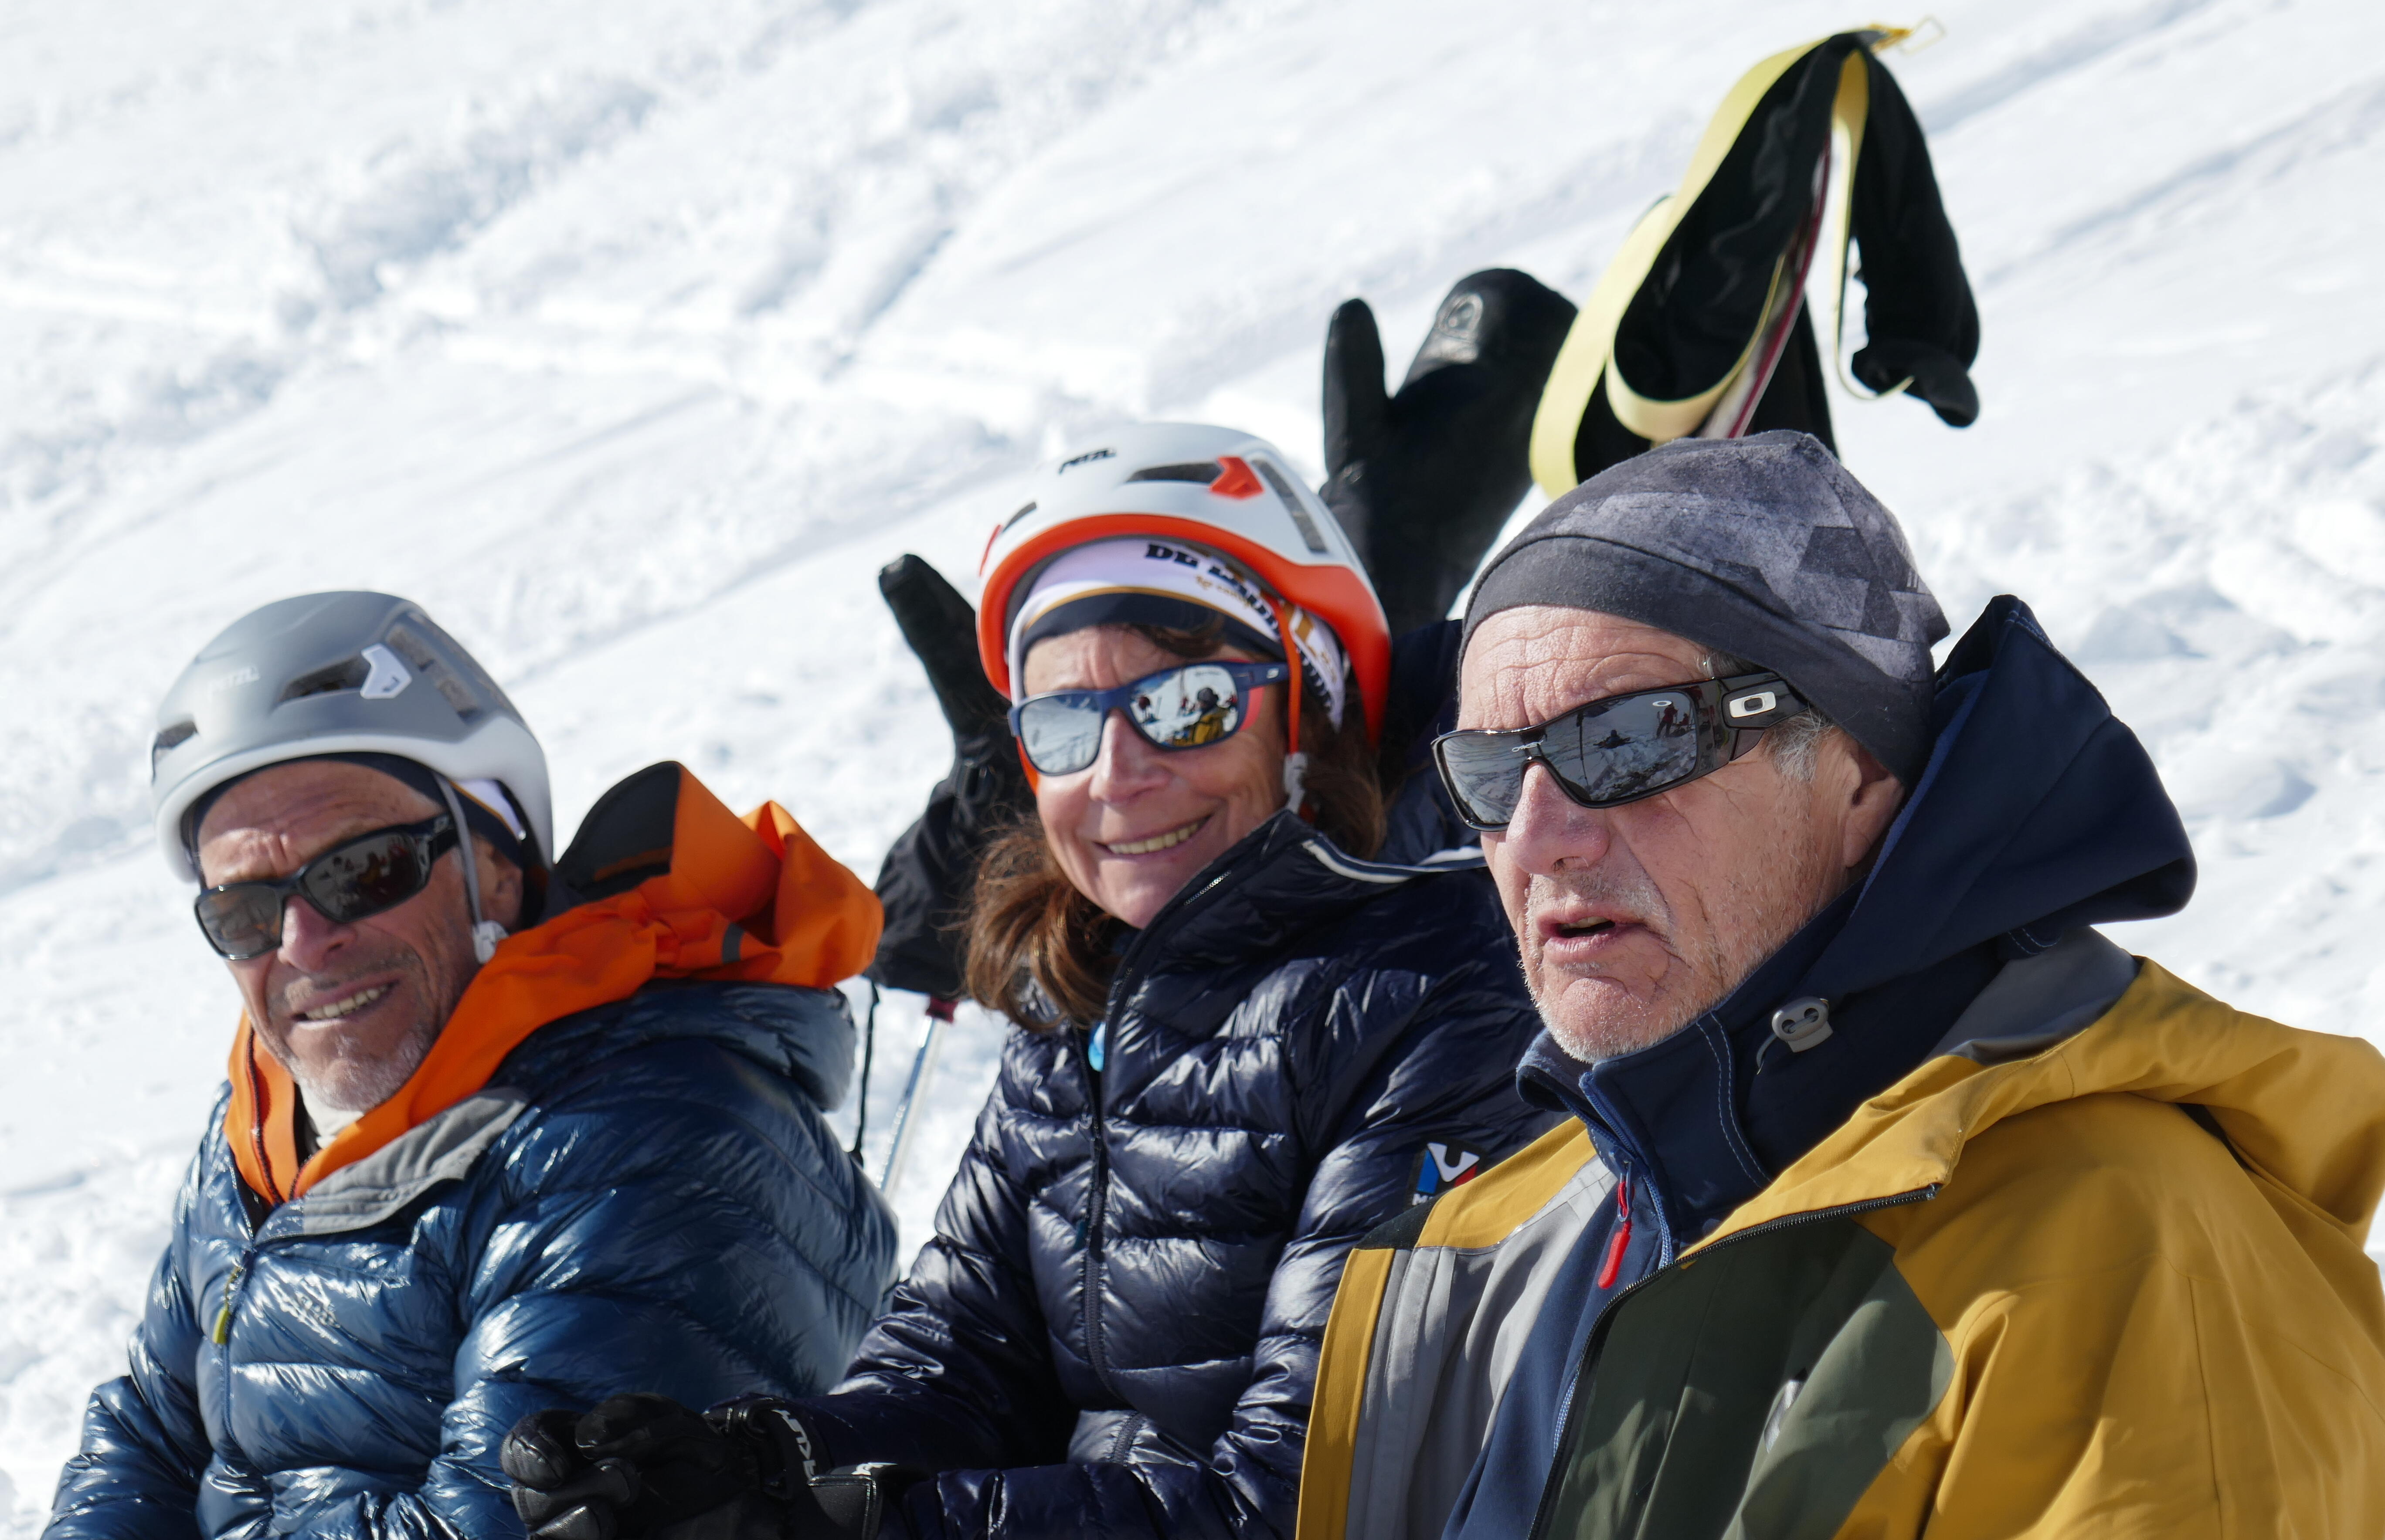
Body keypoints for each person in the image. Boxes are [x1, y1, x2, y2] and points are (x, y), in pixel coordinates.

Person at [1294, 431, 2385, 1539]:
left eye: (1626, 739)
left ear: (1860, 774)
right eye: (1489, 771)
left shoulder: (2131, 1263)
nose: (1537, 838)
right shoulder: (1512, 1239)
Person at [501, 424, 1553, 1540]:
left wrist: (848, 1528)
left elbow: (1309, 1498)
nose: (1117, 773)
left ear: (1310, 709)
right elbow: (959, 1362)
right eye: (1061, 722)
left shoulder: (1448, 991)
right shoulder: (1079, 996)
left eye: (1186, 703)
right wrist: (754, 1463)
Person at [45, 591, 897, 1540]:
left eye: (361, 872)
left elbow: (491, 1524)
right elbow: (150, 1428)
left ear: (497, 864)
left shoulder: (643, 1147)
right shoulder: (263, 1123)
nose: (303, 943)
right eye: (244, 912)